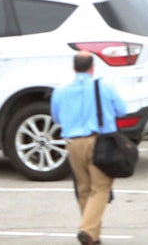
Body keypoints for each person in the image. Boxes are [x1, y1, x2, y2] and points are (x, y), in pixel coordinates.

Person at [51, 51, 126, 245]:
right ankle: (87, 230)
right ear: (92, 68)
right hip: (99, 142)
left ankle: (93, 236)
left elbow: (57, 117)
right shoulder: (103, 86)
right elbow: (122, 110)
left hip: (73, 143)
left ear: (74, 68)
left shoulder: (60, 90)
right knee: (100, 188)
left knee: (83, 188)